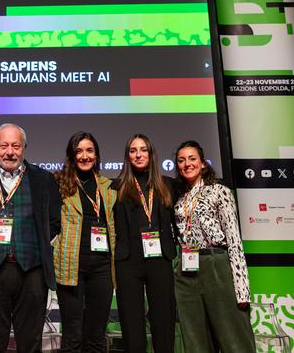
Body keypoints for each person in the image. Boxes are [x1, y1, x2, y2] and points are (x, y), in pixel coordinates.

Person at [0, 123, 61, 353]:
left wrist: (35, 245)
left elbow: (54, 222)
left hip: (33, 272)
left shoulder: (43, 179)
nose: (10, 152)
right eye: (4, 146)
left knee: (30, 343)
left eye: (16, 146)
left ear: (24, 147)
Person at [173, 140, 255, 352]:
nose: (187, 164)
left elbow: (234, 240)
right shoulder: (179, 199)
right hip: (187, 269)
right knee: (195, 342)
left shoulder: (220, 191)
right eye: (181, 160)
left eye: (192, 159)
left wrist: (242, 289)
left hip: (217, 264)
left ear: (203, 163)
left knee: (234, 339)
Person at [52, 132, 117, 352]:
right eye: (79, 151)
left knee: (97, 335)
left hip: (102, 267)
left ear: (96, 155)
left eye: (89, 151)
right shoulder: (59, 184)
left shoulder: (109, 187)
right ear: (72, 156)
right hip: (71, 266)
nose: (85, 156)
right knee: (73, 335)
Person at [112, 133, 176, 353]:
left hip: (160, 258)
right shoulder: (117, 187)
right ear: (127, 156)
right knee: (132, 325)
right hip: (128, 261)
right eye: (133, 151)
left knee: (163, 321)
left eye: (143, 150)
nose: (138, 155)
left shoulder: (168, 185)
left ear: (151, 154)